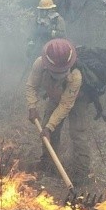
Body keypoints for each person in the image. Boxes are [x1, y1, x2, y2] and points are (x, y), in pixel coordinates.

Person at [25, 38, 90, 186]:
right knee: (47, 130)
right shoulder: (40, 63)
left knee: (77, 133)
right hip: (55, 96)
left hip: (77, 99)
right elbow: (31, 86)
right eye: (55, 71)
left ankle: (81, 172)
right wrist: (32, 107)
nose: (59, 74)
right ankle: (48, 163)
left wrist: (49, 126)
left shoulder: (76, 75)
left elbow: (65, 105)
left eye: (62, 71)